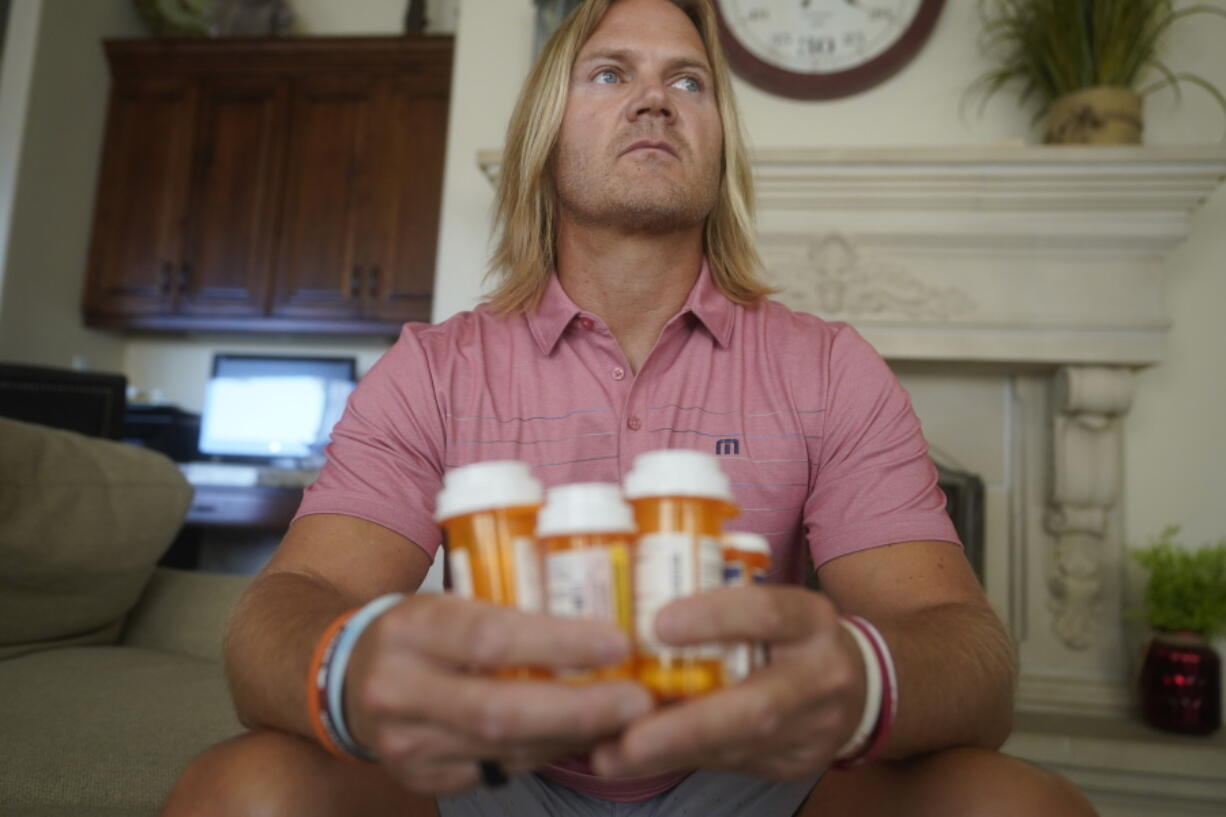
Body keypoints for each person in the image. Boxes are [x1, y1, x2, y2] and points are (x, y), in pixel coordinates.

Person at [162, 1, 1098, 815]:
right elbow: (282, 611)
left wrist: (852, 677)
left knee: (1021, 804)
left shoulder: (830, 369)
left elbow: (969, 652)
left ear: (719, 141)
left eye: (690, 83)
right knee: (241, 792)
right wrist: (357, 666)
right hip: (482, 773)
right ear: (545, 132)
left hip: (761, 775)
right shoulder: (431, 372)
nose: (655, 98)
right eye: (610, 72)